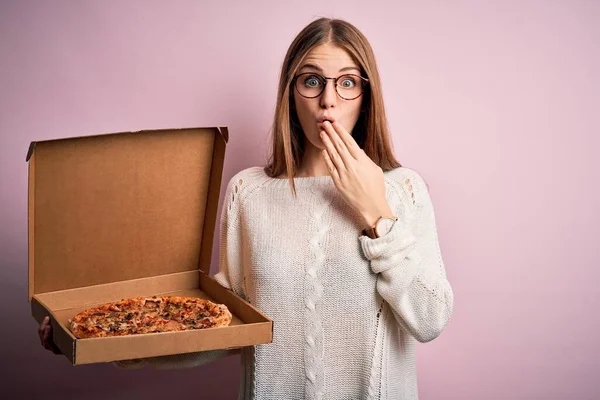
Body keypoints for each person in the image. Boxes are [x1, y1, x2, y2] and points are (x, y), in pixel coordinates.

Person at [40, 17, 454, 399]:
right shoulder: (249, 193)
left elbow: (430, 319)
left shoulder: (402, 189)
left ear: (366, 95)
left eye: (347, 83)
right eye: (311, 81)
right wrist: (106, 343)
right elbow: (226, 325)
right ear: (291, 93)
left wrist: (377, 215)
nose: (328, 100)